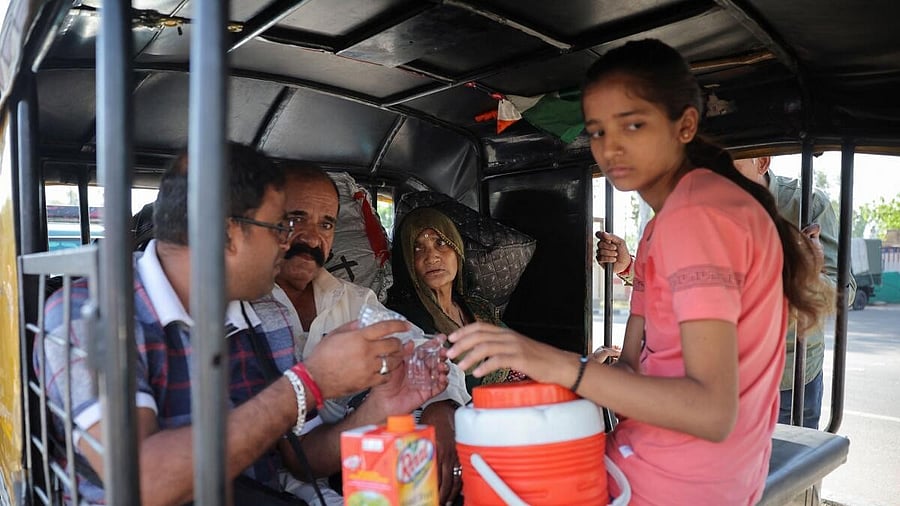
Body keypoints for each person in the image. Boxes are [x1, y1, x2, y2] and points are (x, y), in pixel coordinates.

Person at [446, 39, 831, 505]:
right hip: (645, 467)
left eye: (633, 124)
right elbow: (633, 365)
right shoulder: (662, 226)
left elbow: (711, 411)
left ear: (684, 125)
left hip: (677, 488)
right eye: (597, 131)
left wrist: (548, 361)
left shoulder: (698, 216)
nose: (612, 147)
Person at [37, 144, 427, 506]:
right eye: (280, 227)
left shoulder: (265, 313)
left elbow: (299, 455)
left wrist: (382, 406)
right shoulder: (83, 316)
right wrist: (310, 382)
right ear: (226, 234)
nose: (287, 243)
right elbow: (143, 483)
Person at [258, 164, 468, 505]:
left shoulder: (352, 300)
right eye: (296, 218)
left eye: (326, 224)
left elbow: (422, 347)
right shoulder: (243, 308)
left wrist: (441, 406)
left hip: (352, 475)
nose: (313, 238)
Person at [734, 156, 852, 428]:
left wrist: (809, 275)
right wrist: (630, 267)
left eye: (732, 168)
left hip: (791, 375)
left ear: (762, 162)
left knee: (793, 465)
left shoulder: (807, 204)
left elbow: (844, 295)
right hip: (726, 373)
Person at [387, 206, 527, 391]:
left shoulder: (478, 308)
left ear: (457, 249)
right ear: (407, 261)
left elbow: (520, 352)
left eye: (441, 243)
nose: (432, 257)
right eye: (417, 248)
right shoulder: (406, 324)